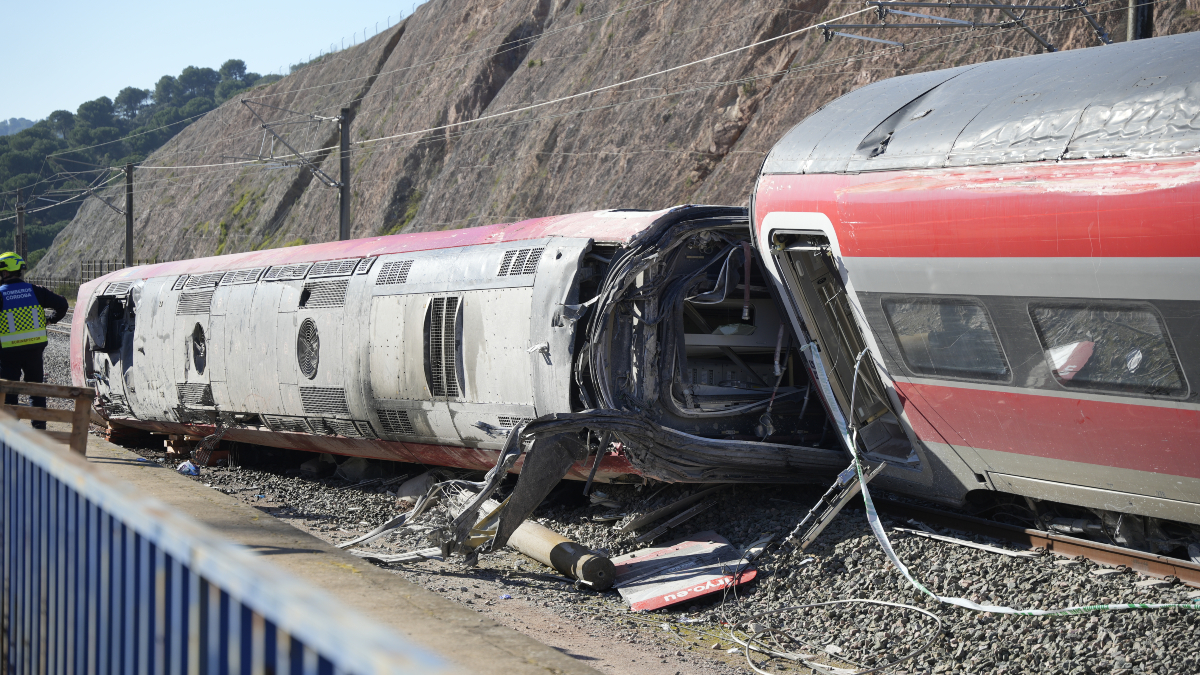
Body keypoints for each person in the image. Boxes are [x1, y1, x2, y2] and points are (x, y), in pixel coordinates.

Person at [0, 252, 68, 429]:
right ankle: (39, 430)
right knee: (36, 390)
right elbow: (62, 304)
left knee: (9, 393)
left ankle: (11, 433)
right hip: (34, 351)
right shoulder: (36, 291)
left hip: (8, 353)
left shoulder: (1, 294)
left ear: (5, 273)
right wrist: (51, 320)